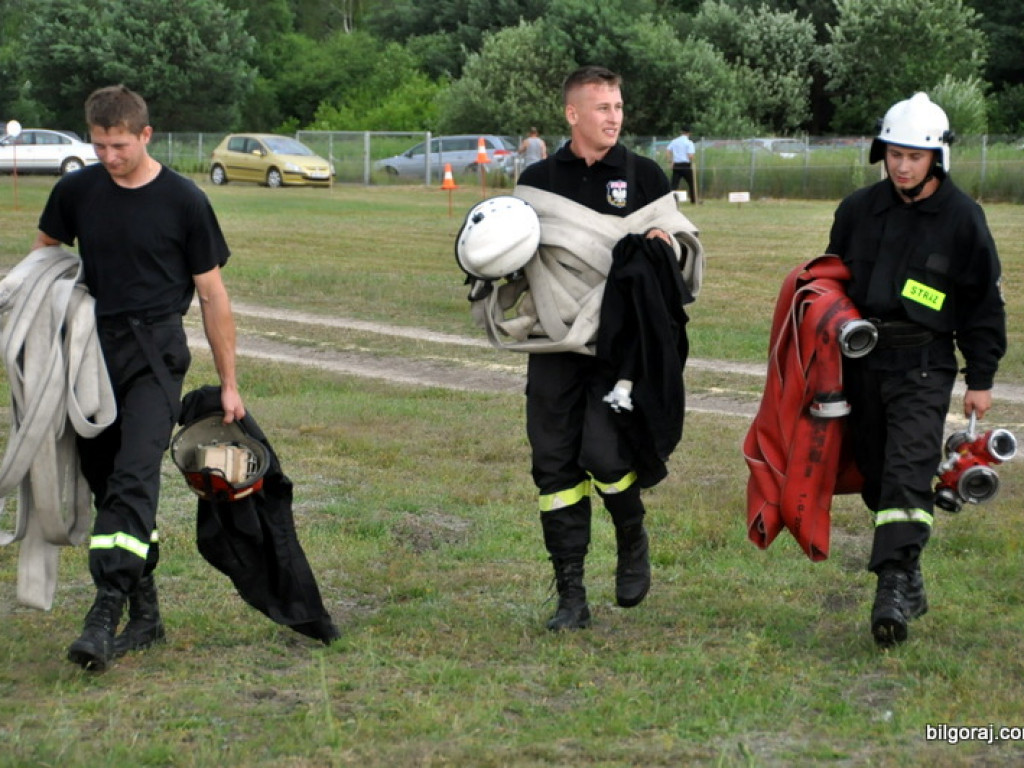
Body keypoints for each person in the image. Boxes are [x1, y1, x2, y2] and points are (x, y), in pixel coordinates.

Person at [31, 84, 245, 672]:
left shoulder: (184, 201)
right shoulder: (75, 191)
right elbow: (43, 259)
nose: (108, 157)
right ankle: (146, 613)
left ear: (145, 135)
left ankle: (105, 611)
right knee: (104, 482)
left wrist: (229, 383)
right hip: (89, 353)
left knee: (133, 478)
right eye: (98, 145)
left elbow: (212, 295)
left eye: (119, 145)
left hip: (156, 354)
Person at [512, 66, 702, 631]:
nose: (614, 117)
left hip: (621, 348)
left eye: (618, 106)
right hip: (553, 345)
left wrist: (668, 246)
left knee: (604, 452)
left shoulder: (643, 175)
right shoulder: (538, 179)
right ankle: (571, 593)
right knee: (553, 467)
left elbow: (683, 242)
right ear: (573, 115)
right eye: (602, 107)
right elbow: (510, 248)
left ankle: (630, 533)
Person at [825, 92, 1006, 647]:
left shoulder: (962, 218)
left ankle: (892, 589)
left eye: (915, 156)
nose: (902, 166)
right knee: (880, 477)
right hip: (864, 366)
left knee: (908, 470)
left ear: (937, 159)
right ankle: (911, 574)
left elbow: (982, 303)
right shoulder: (857, 210)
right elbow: (829, 284)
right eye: (894, 154)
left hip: (925, 365)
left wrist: (980, 378)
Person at [665, 127, 697, 204]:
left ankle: (669, 200)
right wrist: (693, 161)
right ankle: (693, 200)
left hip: (676, 165)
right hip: (686, 165)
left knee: (673, 184)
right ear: (689, 133)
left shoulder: (674, 141)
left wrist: (670, 161)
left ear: (681, 132)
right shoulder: (689, 142)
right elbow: (690, 155)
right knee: (692, 183)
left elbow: (668, 151)